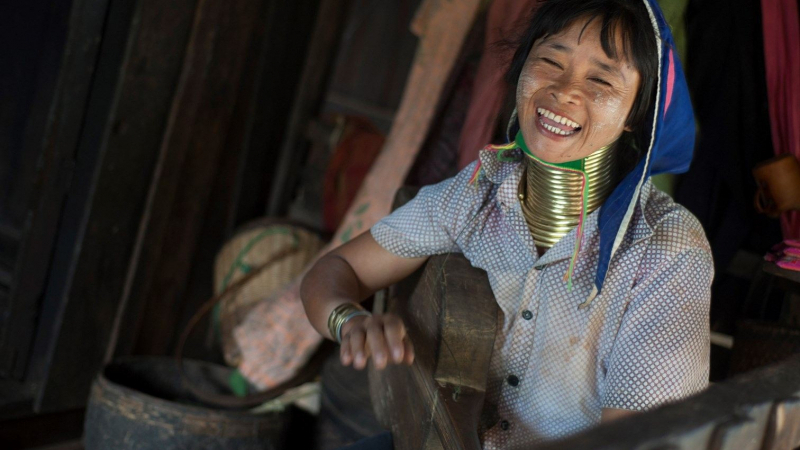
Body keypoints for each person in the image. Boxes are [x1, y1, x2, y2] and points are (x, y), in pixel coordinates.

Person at [301, 0, 713, 447]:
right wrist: (350, 321)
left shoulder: (665, 249)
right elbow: (335, 271)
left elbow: (635, 440)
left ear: (638, 113)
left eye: (600, 80)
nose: (564, 89)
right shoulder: (479, 191)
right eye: (550, 61)